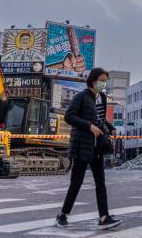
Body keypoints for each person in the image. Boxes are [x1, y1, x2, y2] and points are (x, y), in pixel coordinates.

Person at [55, 68, 121, 230]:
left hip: (97, 146)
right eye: (102, 80)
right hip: (82, 146)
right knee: (76, 182)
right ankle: (62, 215)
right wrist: (88, 126)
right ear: (93, 80)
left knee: (101, 182)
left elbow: (100, 118)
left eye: (105, 80)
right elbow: (69, 116)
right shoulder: (81, 97)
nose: (103, 83)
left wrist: (110, 127)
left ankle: (104, 217)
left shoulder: (102, 98)